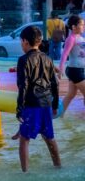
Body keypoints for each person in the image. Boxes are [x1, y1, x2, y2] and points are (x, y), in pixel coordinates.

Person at [15, 25, 61, 172]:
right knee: (49, 137)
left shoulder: (23, 60)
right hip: (46, 103)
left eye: (21, 42)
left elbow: (24, 86)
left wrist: (19, 109)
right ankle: (58, 166)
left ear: (25, 42)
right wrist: (54, 104)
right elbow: (55, 84)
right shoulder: (47, 58)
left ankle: (25, 173)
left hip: (31, 103)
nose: (21, 45)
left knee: (24, 139)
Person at [58, 15, 85, 116]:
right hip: (75, 71)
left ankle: (59, 115)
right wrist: (60, 68)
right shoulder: (71, 38)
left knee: (70, 95)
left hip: (78, 70)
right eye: (81, 25)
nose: (83, 26)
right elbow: (65, 54)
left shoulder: (80, 37)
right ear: (74, 27)